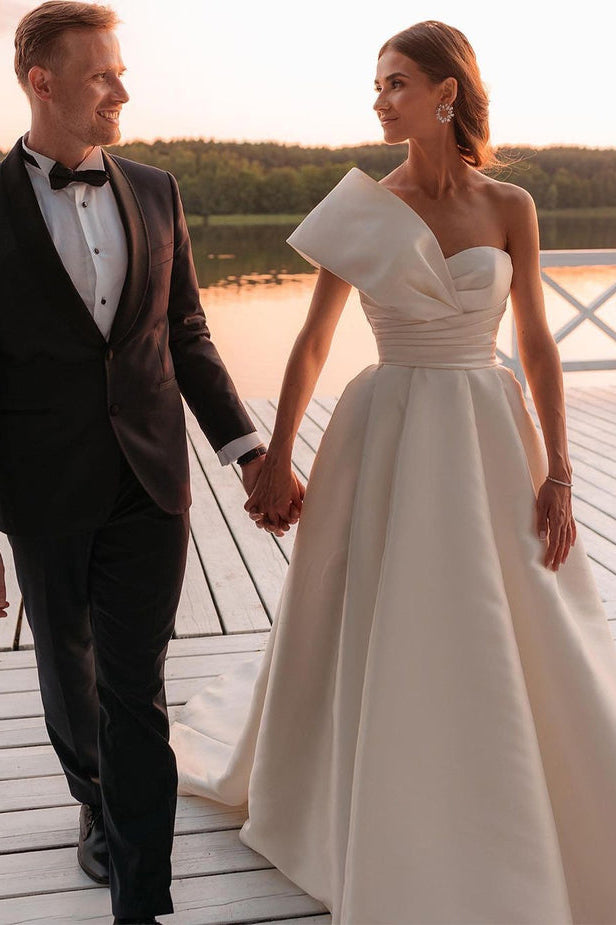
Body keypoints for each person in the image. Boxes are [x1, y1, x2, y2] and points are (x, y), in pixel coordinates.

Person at [170, 20, 616, 924]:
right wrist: (276, 457)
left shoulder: (512, 205)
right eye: (377, 84)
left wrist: (563, 468)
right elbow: (312, 341)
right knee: (388, 600)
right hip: (388, 425)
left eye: (396, 82)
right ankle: (384, 786)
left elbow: (536, 342)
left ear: (447, 92)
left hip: (490, 427)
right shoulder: (360, 207)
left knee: (509, 606)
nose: (379, 100)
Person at [0, 2, 270, 922]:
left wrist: (248, 451)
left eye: (122, 70)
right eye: (102, 73)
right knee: (67, 669)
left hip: (151, 482)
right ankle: (92, 792)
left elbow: (187, 332)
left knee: (135, 688)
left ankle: (141, 898)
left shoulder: (157, 190)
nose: (122, 88)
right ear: (42, 82)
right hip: (41, 489)